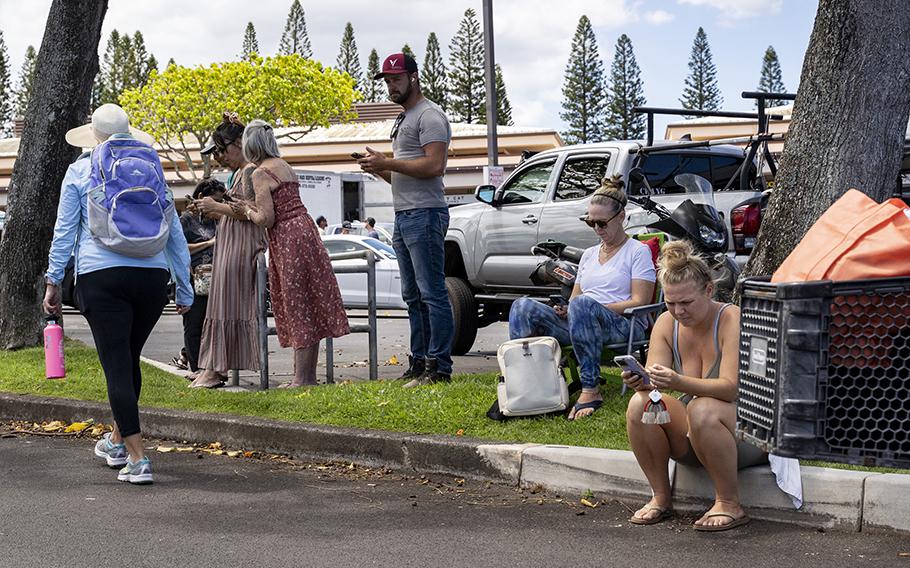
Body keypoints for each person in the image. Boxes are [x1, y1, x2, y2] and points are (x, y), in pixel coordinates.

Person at [43, 103, 192, 484]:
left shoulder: (81, 169)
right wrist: (185, 286)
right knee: (128, 358)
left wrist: (53, 280)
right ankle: (115, 440)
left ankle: (138, 458)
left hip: (101, 276)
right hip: (152, 278)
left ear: (93, 135)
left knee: (116, 365)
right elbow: (173, 230)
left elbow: (64, 231)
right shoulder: (152, 166)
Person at [623, 240, 766, 531]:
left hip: (746, 433)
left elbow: (732, 389)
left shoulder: (732, 319)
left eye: (686, 302)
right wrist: (642, 382)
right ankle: (660, 496)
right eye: (670, 303)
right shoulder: (666, 323)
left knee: (702, 409)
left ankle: (729, 502)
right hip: (694, 433)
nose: (678, 311)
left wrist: (677, 381)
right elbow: (656, 390)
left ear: (709, 290)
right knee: (640, 404)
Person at [508, 178, 655, 419]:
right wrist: (565, 310)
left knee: (584, 305)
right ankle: (529, 389)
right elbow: (575, 298)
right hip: (582, 322)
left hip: (624, 326)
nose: (597, 228)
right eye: (590, 222)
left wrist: (593, 308)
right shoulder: (588, 255)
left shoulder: (637, 252)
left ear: (621, 217)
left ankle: (590, 389)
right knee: (522, 306)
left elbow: (640, 302)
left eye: (601, 222)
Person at [357, 52, 454, 387]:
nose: (390, 86)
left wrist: (390, 163)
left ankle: (439, 366)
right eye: (386, 80)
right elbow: (406, 174)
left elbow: (433, 166)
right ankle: (419, 361)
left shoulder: (429, 116)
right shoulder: (405, 118)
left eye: (396, 79)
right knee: (412, 295)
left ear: (414, 77)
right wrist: (380, 168)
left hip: (425, 214)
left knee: (432, 293)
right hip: (405, 214)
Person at [232, 120, 349, 387]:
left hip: (287, 238)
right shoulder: (284, 166)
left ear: (250, 145)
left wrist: (245, 211)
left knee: (297, 305)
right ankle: (308, 376)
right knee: (310, 302)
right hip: (306, 230)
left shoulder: (260, 172)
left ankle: (300, 378)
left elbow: (267, 218)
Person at [189, 113, 268, 389]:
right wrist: (214, 210)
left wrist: (216, 207)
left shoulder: (250, 170)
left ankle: (216, 367)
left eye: (222, 150)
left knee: (227, 304)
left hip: (243, 243)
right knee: (220, 303)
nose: (219, 156)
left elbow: (253, 211)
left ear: (238, 143)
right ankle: (212, 365)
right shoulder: (240, 172)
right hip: (232, 240)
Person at [179, 179, 226, 380]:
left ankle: (212, 366)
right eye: (214, 200)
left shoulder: (217, 219)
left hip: (217, 277)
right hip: (193, 277)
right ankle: (196, 367)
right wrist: (208, 243)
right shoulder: (186, 220)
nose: (217, 204)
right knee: (194, 322)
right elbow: (178, 247)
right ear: (200, 198)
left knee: (214, 324)